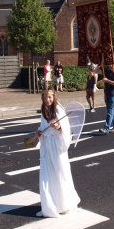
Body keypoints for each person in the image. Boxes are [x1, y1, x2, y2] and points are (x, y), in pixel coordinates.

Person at [34, 90, 80, 218]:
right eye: (45, 97)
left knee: (60, 174)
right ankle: (50, 206)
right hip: (47, 147)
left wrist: (59, 127)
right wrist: (39, 132)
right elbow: (43, 126)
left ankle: (65, 205)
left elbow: (66, 129)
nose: (47, 100)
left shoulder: (59, 110)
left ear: (53, 97)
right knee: (47, 176)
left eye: (49, 97)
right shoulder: (44, 110)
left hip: (57, 147)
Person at [99, 60, 114, 135]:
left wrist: (107, 80)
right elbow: (96, 70)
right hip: (107, 94)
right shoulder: (107, 72)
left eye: (113, 64)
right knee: (112, 111)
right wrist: (101, 64)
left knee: (110, 111)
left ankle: (106, 128)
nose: (111, 65)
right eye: (110, 64)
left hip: (113, 94)